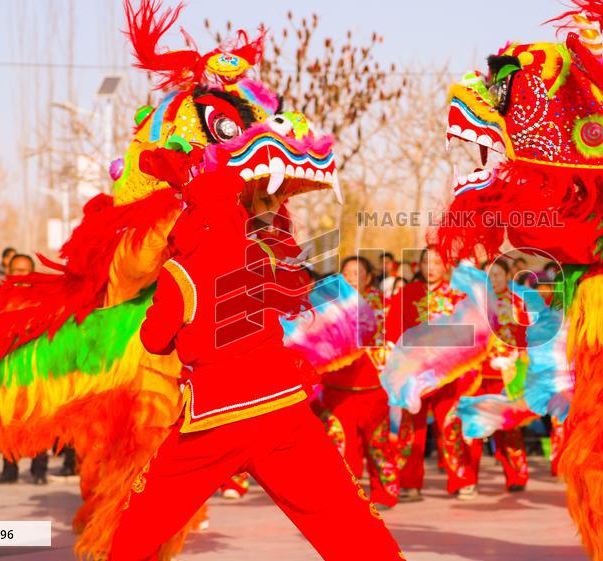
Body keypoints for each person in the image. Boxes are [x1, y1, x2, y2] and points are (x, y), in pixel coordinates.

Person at [109, 169, 404, 561]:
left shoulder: (180, 272)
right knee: (339, 512)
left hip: (216, 418)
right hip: (281, 406)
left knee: (146, 517)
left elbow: (154, 339)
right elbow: (292, 298)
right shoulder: (260, 254)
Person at [385, 246, 478, 501]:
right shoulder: (408, 293)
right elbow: (393, 330)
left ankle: (462, 479)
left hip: (447, 374)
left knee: (449, 425)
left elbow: (468, 333)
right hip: (413, 374)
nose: (432, 267)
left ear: (446, 266)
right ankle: (409, 483)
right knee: (409, 429)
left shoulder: (457, 296)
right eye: (427, 262)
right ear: (420, 266)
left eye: (437, 262)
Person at [317, 256, 399, 509]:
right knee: (338, 444)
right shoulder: (327, 306)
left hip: (373, 387)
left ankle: (384, 493)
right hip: (336, 389)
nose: (352, 277)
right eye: (348, 273)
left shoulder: (382, 306)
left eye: (358, 272)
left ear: (369, 277)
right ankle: (343, 494)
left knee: (378, 443)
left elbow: (395, 337)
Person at [469, 259, 530, 492]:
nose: (492, 280)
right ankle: (468, 480)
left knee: (509, 427)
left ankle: (516, 476)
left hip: (506, 373)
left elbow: (527, 339)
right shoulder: (471, 305)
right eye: (487, 276)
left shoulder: (516, 303)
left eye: (497, 275)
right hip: (476, 375)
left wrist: (516, 359)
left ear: (507, 277)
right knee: (472, 425)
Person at [0, 254, 50, 485]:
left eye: (26, 270)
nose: (21, 275)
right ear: (9, 273)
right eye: (17, 270)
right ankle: (10, 469)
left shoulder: (44, 299)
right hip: (7, 368)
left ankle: (39, 470)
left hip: (37, 368)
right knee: (9, 420)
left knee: (38, 420)